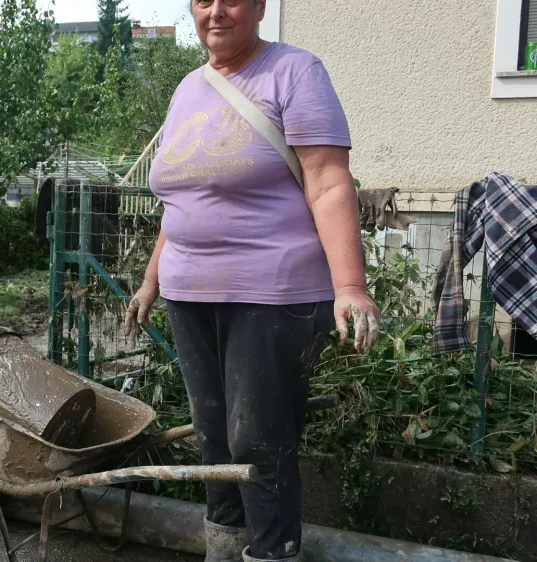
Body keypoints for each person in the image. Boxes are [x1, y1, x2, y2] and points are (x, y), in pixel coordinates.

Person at [124, 1, 380, 561]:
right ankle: (224, 544)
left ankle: (271, 551)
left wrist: (351, 287)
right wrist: (150, 280)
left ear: (260, 6)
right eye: (202, 1)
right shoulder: (188, 88)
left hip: (271, 292)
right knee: (212, 432)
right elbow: (180, 199)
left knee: (256, 441)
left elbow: (328, 180)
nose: (215, 11)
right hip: (189, 293)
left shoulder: (294, 71)